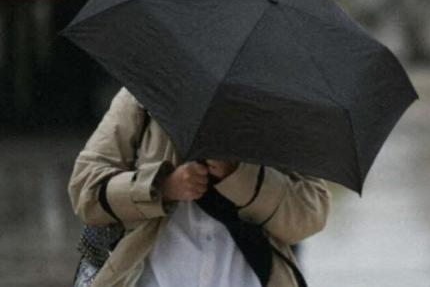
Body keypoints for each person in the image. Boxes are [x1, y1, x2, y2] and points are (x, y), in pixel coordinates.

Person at [68, 86, 331, 287]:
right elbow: (85, 189)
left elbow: (310, 214)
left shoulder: (275, 104)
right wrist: (161, 187)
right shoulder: (142, 94)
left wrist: (239, 177)